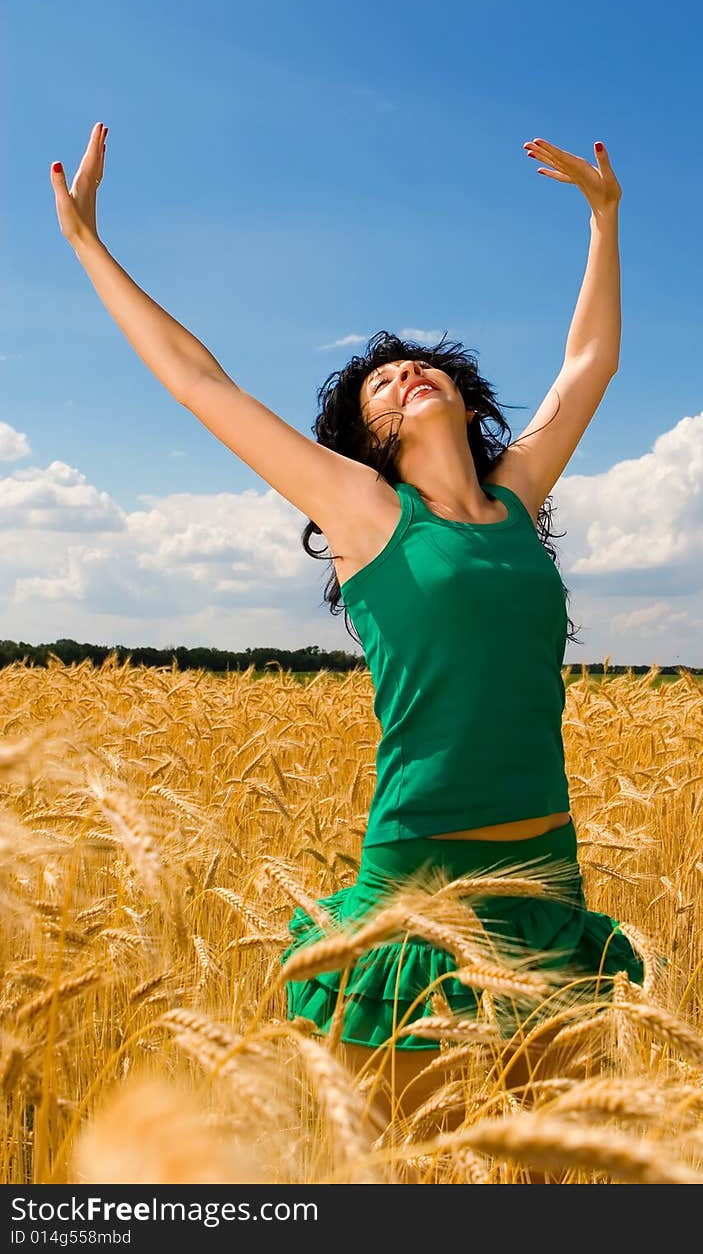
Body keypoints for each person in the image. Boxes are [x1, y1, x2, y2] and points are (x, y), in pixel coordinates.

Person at [50, 123, 644, 1136]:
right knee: (401, 1168)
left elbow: (589, 360)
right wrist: (86, 243)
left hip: (547, 869)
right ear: (367, 439)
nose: (407, 375)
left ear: (464, 399)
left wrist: (603, 216)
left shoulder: (516, 497)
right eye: (381, 382)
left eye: (422, 368)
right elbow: (202, 382)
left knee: (557, 1167)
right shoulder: (365, 512)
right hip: (418, 878)